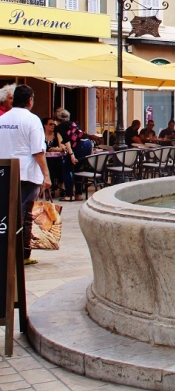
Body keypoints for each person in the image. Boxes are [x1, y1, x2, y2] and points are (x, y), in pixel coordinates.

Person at [0, 85, 51, 263]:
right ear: (30, 100)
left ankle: (6, 250)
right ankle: (22, 253)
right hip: (27, 173)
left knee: (6, 212)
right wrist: (46, 175)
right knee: (25, 214)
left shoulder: (3, 119)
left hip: (5, 173)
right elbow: (38, 151)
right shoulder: (32, 120)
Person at [55, 109, 93, 200]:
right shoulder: (73, 123)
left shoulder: (60, 127)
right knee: (77, 168)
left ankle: (69, 195)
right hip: (88, 144)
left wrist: (71, 155)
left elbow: (66, 140)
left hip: (80, 146)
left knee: (66, 169)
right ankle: (78, 194)